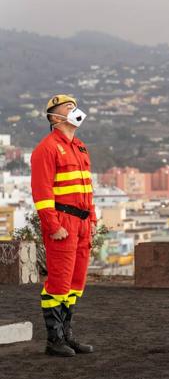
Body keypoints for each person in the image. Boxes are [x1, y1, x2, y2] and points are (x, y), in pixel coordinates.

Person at [31, 95, 96, 357]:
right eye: (68, 108)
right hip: (63, 223)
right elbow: (42, 192)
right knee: (58, 281)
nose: (75, 111)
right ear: (55, 117)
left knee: (75, 283)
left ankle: (67, 336)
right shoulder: (46, 149)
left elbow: (87, 190)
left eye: (74, 107)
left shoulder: (79, 147)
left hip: (81, 223)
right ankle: (54, 340)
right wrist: (53, 225)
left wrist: (92, 220)